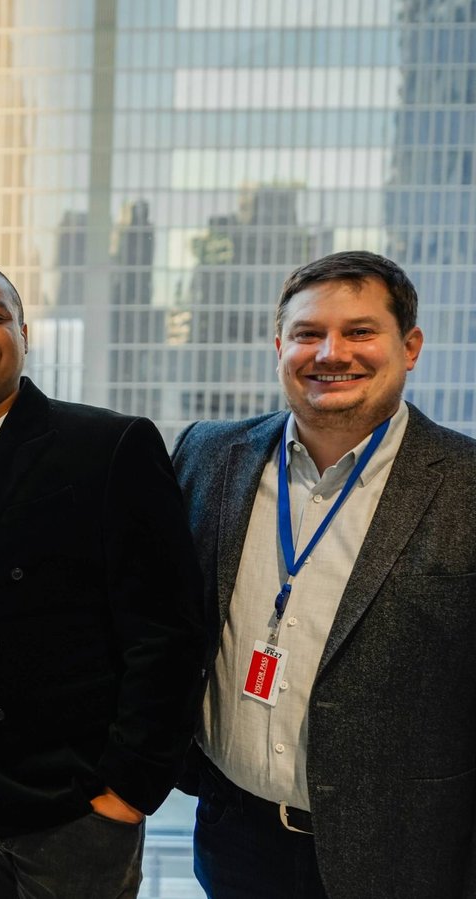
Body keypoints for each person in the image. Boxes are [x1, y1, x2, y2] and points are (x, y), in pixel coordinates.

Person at [0, 261, 205, 898]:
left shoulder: (107, 445)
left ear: (25, 333)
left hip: (72, 806)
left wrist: (129, 787)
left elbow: (168, 631)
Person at [173, 251, 476, 898]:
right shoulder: (208, 454)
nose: (331, 352)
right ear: (280, 344)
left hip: (403, 853)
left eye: (360, 331)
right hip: (233, 835)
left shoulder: (465, 485)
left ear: (411, 345)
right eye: (309, 333)